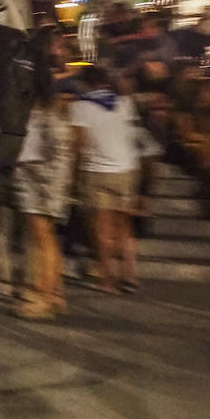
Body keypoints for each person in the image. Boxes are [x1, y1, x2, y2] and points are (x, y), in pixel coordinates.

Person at [70, 65, 141, 295]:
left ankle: (109, 280)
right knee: (124, 227)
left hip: (97, 170)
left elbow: (79, 145)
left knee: (102, 229)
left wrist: (74, 175)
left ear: (85, 83)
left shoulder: (79, 107)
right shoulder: (125, 103)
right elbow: (132, 136)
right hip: (127, 169)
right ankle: (130, 275)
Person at [11, 73, 74, 321]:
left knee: (43, 238)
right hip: (36, 179)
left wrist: (43, 179)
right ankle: (54, 293)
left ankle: (45, 298)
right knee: (45, 238)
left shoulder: (48, 112)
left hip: (42, 181)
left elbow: (57, 151)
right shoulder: (43, 110)